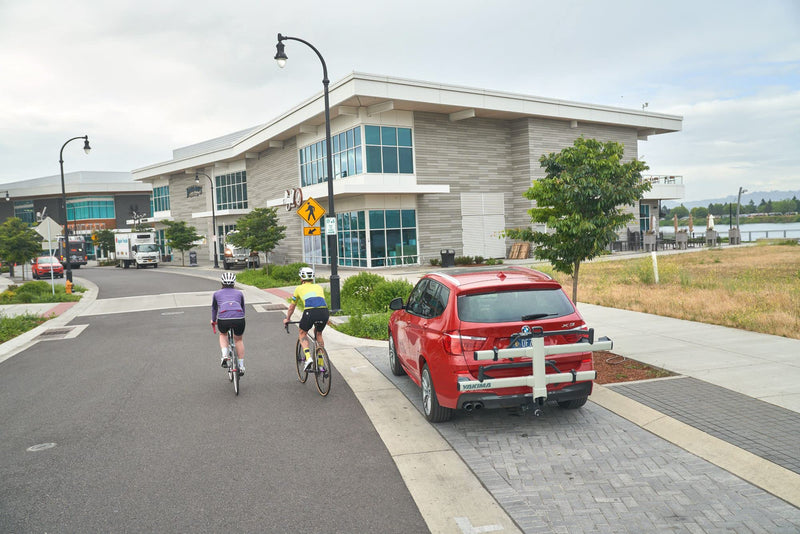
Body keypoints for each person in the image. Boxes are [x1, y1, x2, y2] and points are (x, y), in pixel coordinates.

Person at [283, 266, 329, 371]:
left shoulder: (298, 288)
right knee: (318, 334)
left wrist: (287, 318)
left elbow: (292, 307)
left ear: (301, 278)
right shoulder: (319, 287)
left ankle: (308, 358)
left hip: (310, 312)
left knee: (302, 332)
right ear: (312, 278)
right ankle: (321, 364)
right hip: (324, 312)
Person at [211, 271, 246, 375]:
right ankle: (241, 365)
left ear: (222, 283)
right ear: (234, 283)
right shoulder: (239, 293)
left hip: (224, 319)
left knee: (223, 334)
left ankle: (225, 355)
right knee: (238, 340)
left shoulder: (216, 294)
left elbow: (214, 309)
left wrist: (213, 320)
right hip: (239, 318)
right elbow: (243, 308)